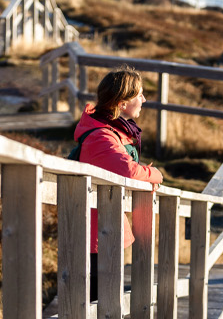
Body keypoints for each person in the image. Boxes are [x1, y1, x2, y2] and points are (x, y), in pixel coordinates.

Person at [72, 68, 164, 299]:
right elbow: (128, 171)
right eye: (139, 95)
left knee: (106, 302)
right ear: (122, 103)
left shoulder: (112, 132)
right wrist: (156, 174)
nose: (144, 99)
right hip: (95, 236)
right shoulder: (101, 136)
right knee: (99, 303)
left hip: (104, 232)